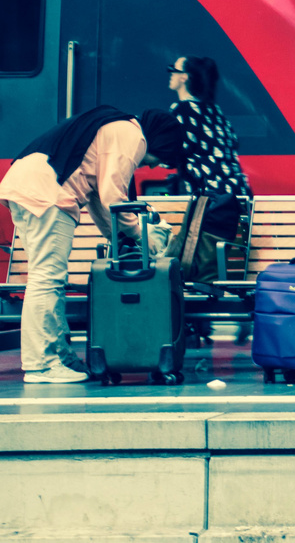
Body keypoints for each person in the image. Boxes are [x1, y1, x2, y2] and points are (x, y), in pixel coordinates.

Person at [1, 106, 186, 383]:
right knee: (47, 279)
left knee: (49, 279)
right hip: (47, 192)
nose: (152, 165)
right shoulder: (132, 135)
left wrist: (118, 235)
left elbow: (101, 200)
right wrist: (139, 233)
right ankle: (41, 365)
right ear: (160, 140)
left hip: (29, 183)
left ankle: (61, 357)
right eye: (160, 159)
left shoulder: (116, 127)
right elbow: (113, 194)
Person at [166, 55, 253, 279]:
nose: (170, 75)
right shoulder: (217, 113)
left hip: (210, 204)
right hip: (235, 198)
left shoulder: (182, 111)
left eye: (172, 70)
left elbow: (169, 155)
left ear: (184, 77)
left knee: (198, 268)